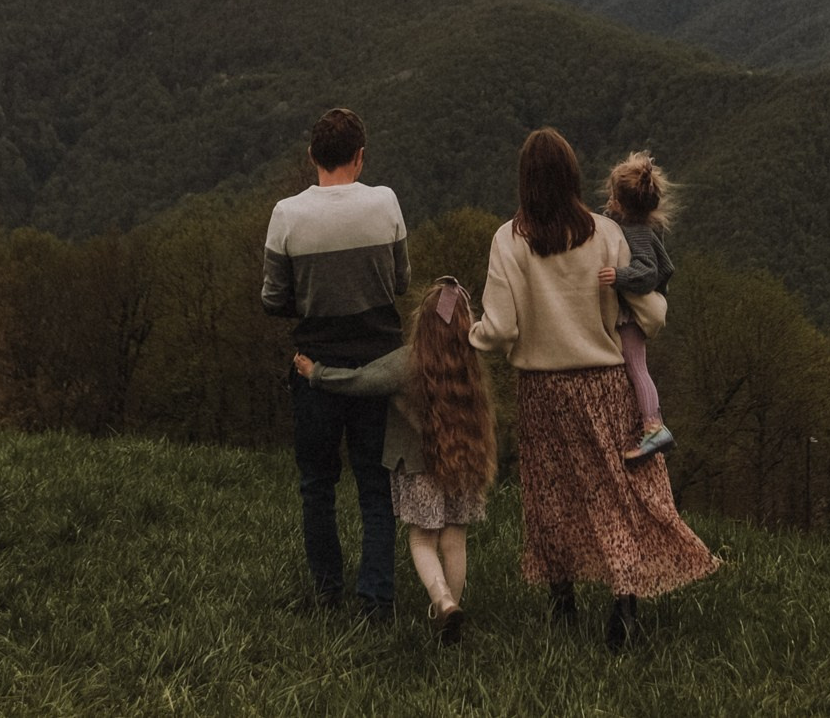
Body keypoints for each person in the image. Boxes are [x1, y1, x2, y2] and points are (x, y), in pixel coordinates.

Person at [470, 127, 716, 651]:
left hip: (541, 392)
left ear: (525, 182)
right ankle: (624, 603)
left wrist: (466, 336)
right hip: (606, 385)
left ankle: (562, 603)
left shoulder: (506, 240)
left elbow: (500, 331)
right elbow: (651, 309)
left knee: (550, 496)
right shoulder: (607, 232)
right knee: (617, 494)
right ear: (573, 177)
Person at [260, 107, 408, 619]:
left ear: (312, 158)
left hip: (313, 367)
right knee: (376, 485)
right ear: (360, 157)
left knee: (317, 484)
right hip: (379, 367)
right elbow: (402, 281)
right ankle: (376, 601)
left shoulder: (286, 214)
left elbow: (272, 298)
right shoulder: (386, 202)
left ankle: (326, 596)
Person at [294, 276, 496, 644]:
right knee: (454, 541)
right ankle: (451, 614)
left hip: (421, 468)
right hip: (464, 464)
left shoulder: (408, 362)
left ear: (423, 321)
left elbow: (360, 380)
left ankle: (444, 603)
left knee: (422, 541)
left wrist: (316, 374)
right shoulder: (470, 362)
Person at [599, 151, 677, 462]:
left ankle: (654, 427)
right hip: (626, 314)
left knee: (636, 366)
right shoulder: (628, 225)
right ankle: (649, 424)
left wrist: (619, 276)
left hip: (630, 317)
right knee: (631, 366)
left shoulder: (638, 233)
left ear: (617, 201)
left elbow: (647, 273)